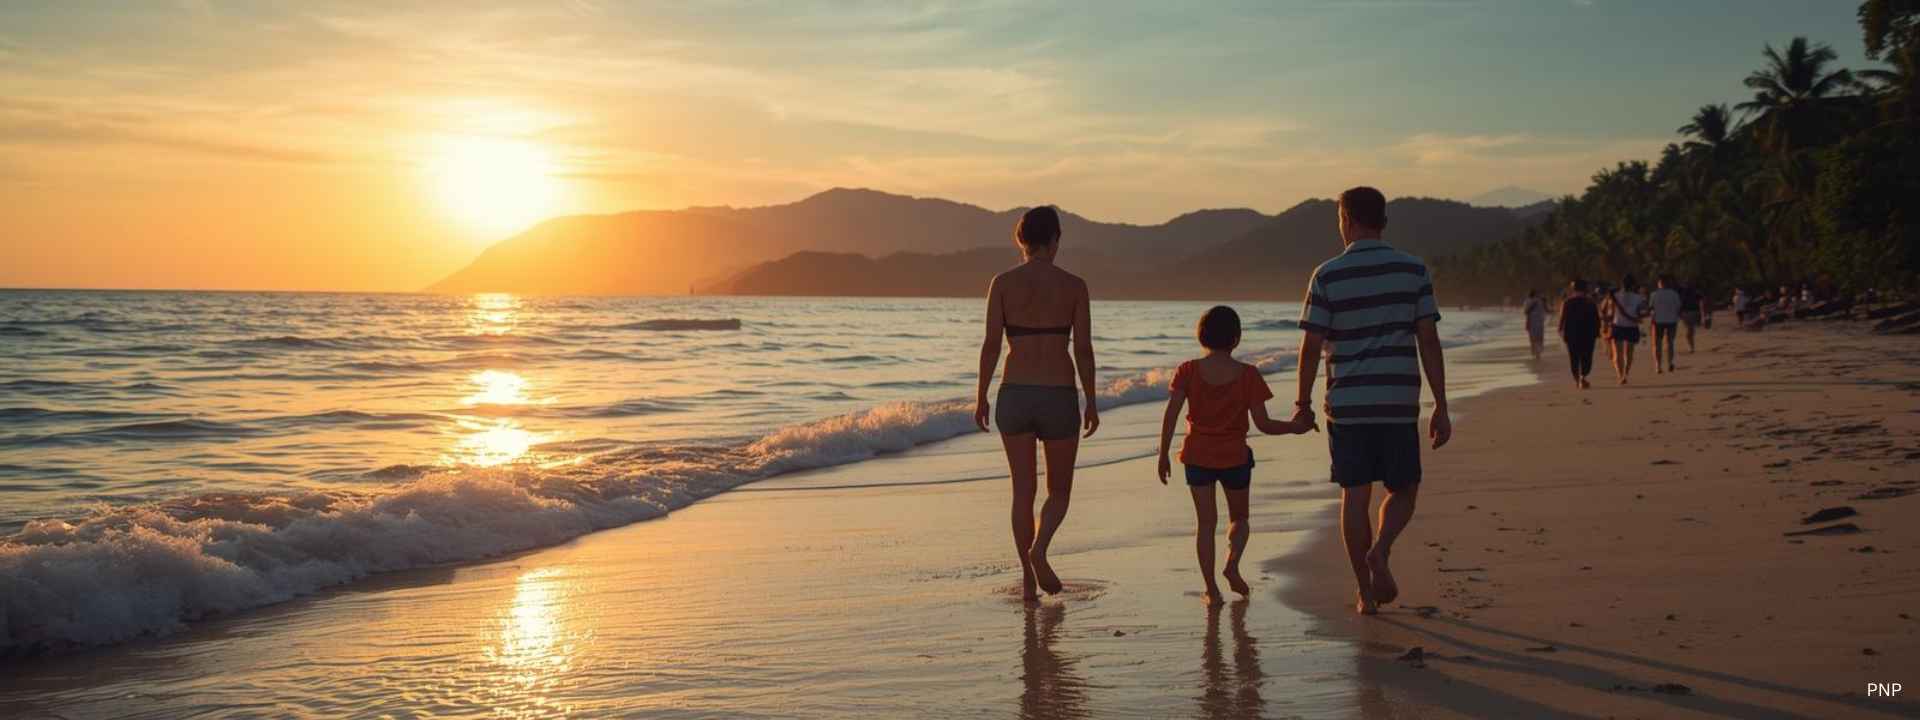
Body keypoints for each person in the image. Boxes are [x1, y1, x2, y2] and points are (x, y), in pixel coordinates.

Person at [1288, 187, 1451, 616]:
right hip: (1397, 401)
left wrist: (1302, 403)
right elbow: (1428, 340)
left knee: (1354, 496)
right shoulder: (1413, 269)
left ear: (1346, 220)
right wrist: (1441, 404)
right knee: (1404, 489)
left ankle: (1365, 592)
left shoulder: (1327, 275)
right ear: (1383, 221)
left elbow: (1310, 346)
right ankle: (1381, 549)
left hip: (1348, 405)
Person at [975, 206, 1100, 603]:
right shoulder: (1075, 286)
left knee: (1022, 492)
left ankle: (1028, 581)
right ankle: (1040, 549)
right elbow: (1083, 349)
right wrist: (1092, 399)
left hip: (1014, 393)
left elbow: (991, 345)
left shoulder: (1002, 283)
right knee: (1058, 491)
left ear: (1021, 240)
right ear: (1055, 240)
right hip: (1058, 394)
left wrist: (981, 395)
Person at [1156, 306, 1315, 606]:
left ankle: (1211, 590)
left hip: (1197, 456)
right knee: (1239, 518)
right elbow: (1264, 424)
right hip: (1235, 458)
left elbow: (1171, 415)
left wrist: (1163, 454)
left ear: (1201, 336)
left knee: (1205, 524)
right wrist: (1295, 427)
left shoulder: (1187, 370)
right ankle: (1232, 563)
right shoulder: (1248, 375)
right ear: (1236, 338)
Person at [1557, 279, 1601, 389]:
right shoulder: (1590, 302)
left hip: (1571, 334)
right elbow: (1596, 319)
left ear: (1573, 289)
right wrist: (1597, 331)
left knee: (1574, 357)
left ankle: (1577, 379)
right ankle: (1583, 377)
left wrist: (1560, 330)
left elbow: (1562, 318)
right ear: (1585, 289)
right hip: (1588, 334)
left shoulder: (1567, 302)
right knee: (1587, 356)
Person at [1608, 275, 1645, 384]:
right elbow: (1641, 312)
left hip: (1618, 325)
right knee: (1629, 353)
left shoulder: (1615, 295)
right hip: (1632, 326)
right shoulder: (1638, 297)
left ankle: (1620, 376)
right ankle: (1626, 373)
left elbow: (1610, 312)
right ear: (1633, 285)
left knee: (1617, 354)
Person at [1649, 276, 1682, 373]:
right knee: (1670, 342)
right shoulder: (1674, 294)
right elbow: (1678, 307)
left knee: (1657, 344)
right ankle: (1670, 362)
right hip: (1672, 321)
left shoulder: (1654, 294)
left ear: (1659, 284)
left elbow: (1651, 308)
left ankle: (1658, 365)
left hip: (1658, 321)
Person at [1520, 289, 1548, 360]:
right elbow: (1546, 310)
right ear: (1535, 294)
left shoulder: (1527, 301)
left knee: (1532, 337)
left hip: (1531, 321)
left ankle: (1535, 351)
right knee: (1539, 337)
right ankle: (1538, 351)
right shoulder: (1540, 301)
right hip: (1540, 321)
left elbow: (1525, 312)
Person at [1678, 281, 1705, 350]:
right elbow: (1701, 302)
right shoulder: (1696, 292)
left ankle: (1691, 346)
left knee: (1690, 330)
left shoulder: (1683, 293)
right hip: (1692, 313)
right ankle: (1691, 346)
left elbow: (1680, 304)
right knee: (1690, 330)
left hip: (1688, 313)